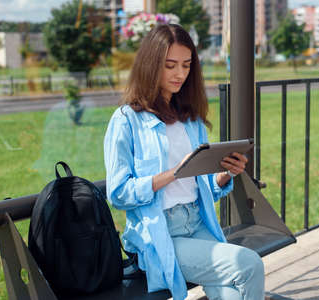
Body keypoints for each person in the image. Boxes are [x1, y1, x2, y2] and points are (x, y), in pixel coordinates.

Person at [104, 24, 265, 300]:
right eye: (170, 65)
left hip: (198, 223)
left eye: (186, 65)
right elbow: (118, 194)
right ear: (150, 65)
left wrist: (226, 175)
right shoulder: (126, 120)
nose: (180, 74)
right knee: (249, 265)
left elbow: (201, 186)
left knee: (233, 295)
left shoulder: (190, 119)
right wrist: (171, 175)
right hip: (160, 234)